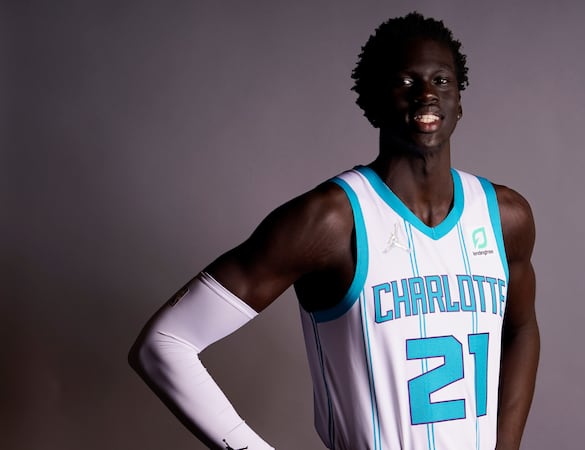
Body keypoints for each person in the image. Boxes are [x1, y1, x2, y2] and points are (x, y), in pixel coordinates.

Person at [129, 12, 539, 450]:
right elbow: (164, 343)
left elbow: (522, 330)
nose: (426, 95)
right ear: (374, 102)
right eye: (406, 82)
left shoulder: (503, 216)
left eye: (441, 80)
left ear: (460, 100)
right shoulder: (330, 221)